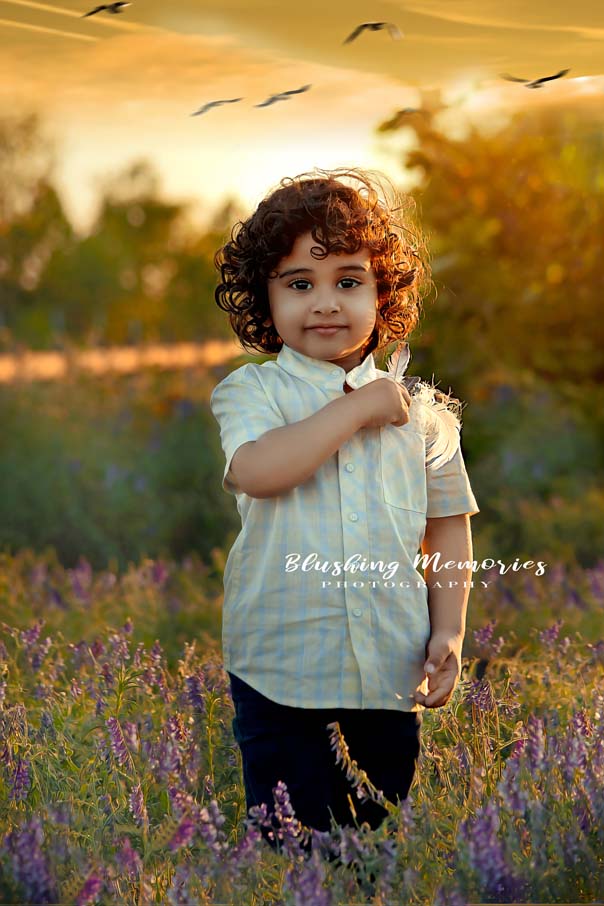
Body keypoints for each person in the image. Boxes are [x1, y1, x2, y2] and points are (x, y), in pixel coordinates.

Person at [210, 167, 480, 856]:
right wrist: (357, 407)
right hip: (280, 671)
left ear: (382, 294)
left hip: (387, 671)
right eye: (299, 283)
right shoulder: (252, 395)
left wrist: (447, 630)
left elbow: (447, 527)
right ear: (264, 300)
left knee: (374, 852)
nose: (324, 302)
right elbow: (257, 471)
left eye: (348, 281)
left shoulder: (424, 418)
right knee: (290, 852)